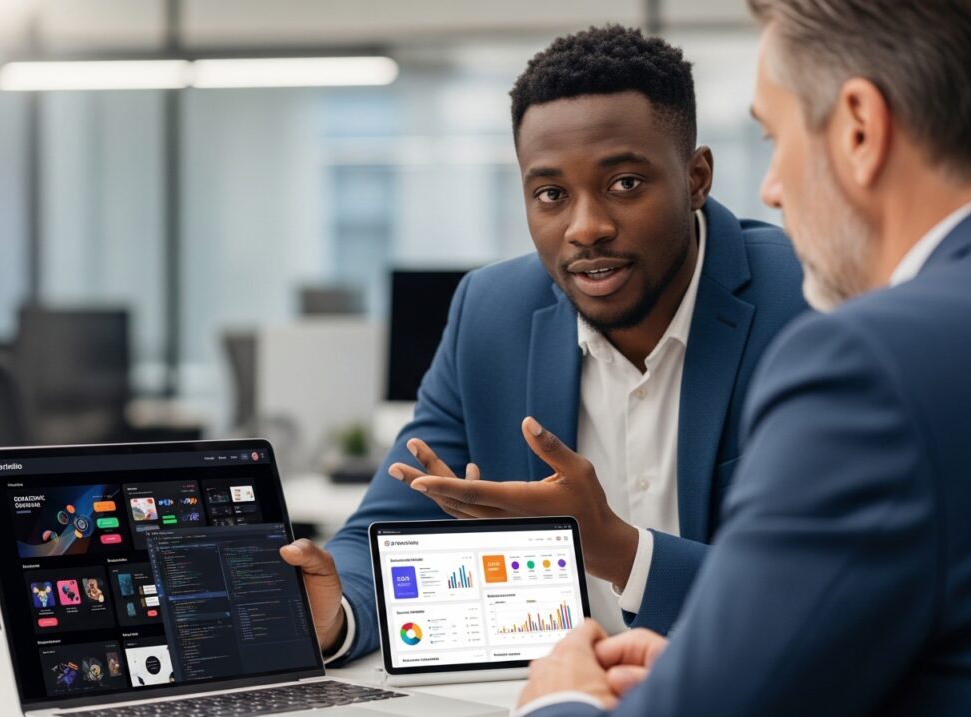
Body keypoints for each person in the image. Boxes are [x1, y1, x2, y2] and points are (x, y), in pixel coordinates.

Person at [511, 1, 971, 715]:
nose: (769, 187)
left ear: (859, 127)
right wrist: (725, 665)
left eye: (776, 136)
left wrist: (557, 702)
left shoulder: (869, 362)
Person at [281, 26, 807, 663]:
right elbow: (384, 527)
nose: (586, 228)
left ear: (696, 178)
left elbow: (824, 592)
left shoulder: (807, 302)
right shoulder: (491, 313)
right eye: (551, 195)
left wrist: (611, 546)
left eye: (625, 185)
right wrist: (334, 615)